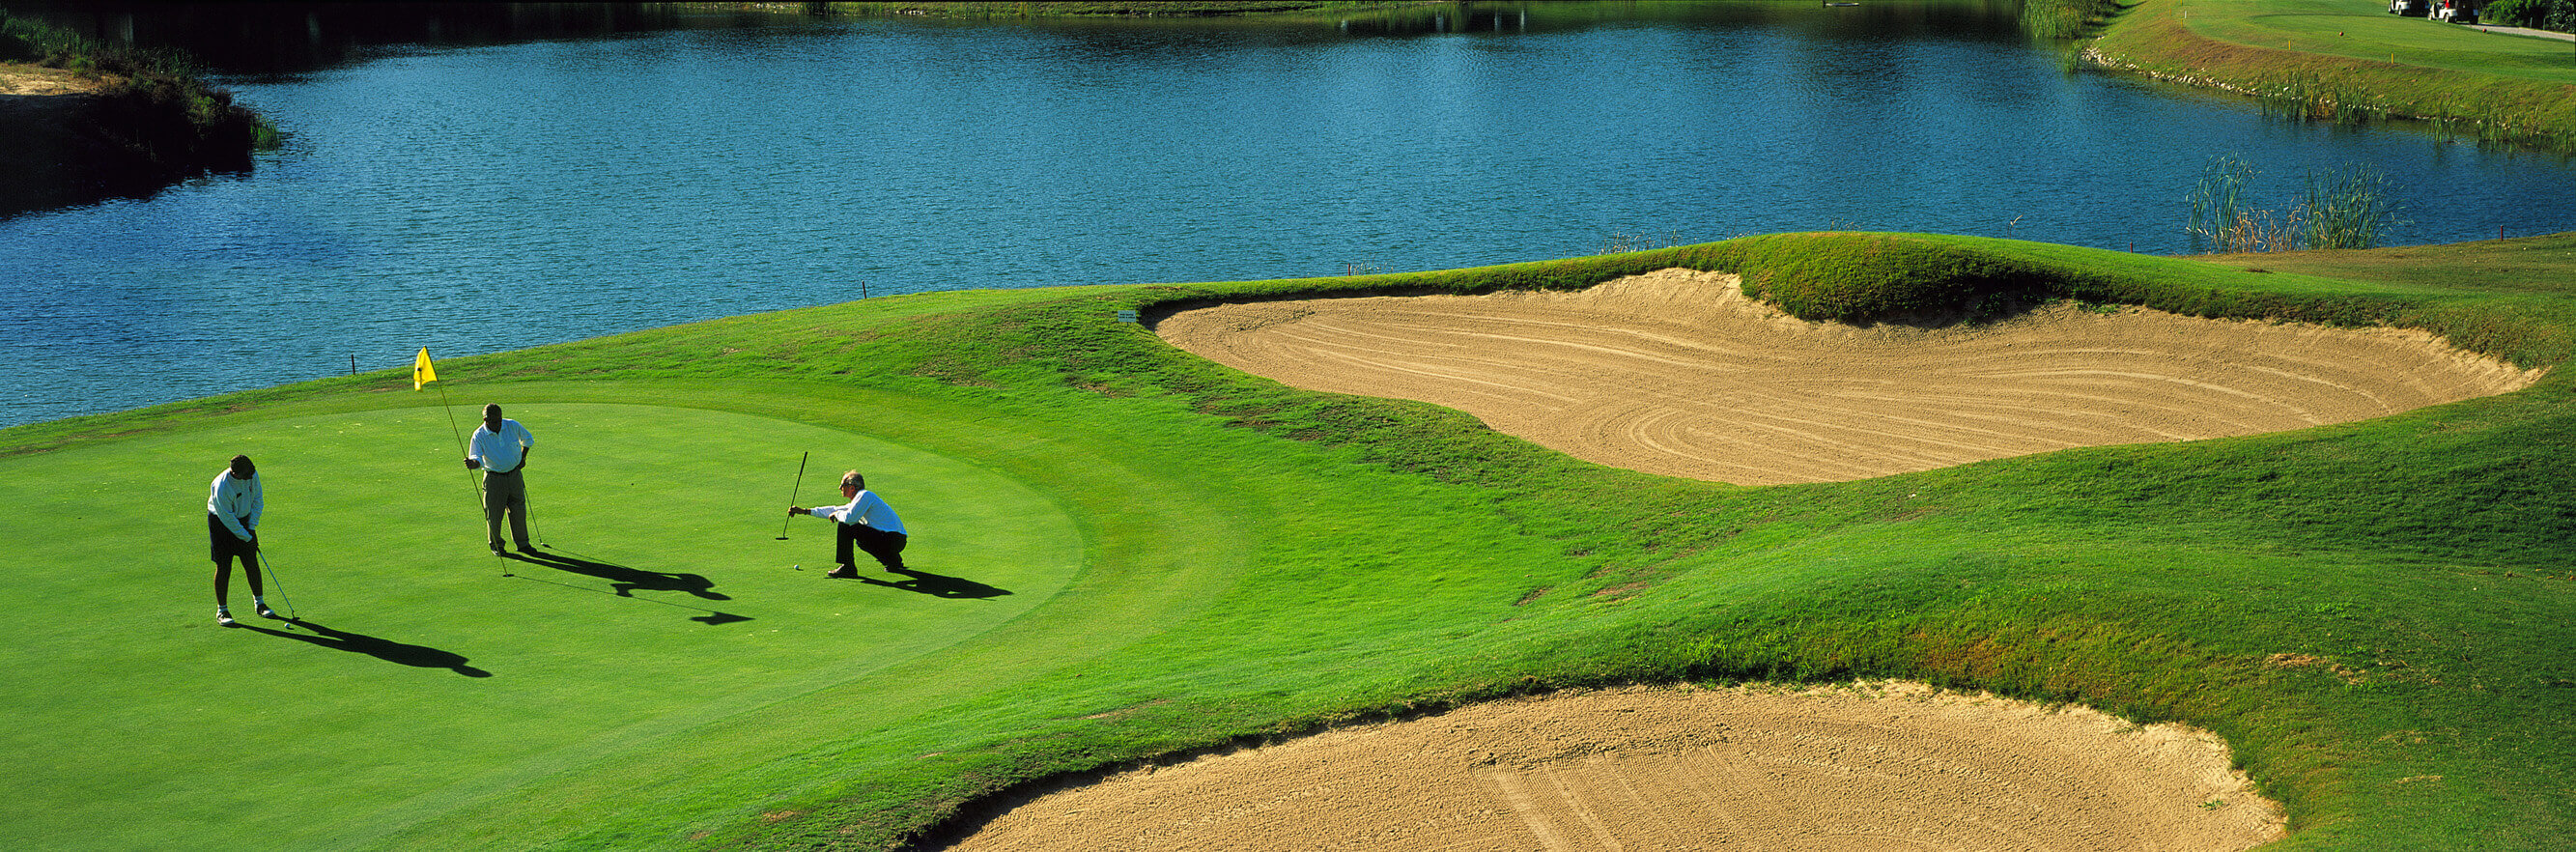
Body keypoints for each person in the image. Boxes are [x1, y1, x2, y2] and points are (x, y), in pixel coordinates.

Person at [789, 470, 907, 579]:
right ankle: (893, 561)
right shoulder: (859, 499)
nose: (840, 488)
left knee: (845, 525)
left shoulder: (865, 495)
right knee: (861, 541)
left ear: (851, 488)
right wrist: (805, 511)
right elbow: (834, 509)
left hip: (892, 538)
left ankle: (848, 567)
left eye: (842, 485)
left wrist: (837, 514)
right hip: (894, 539)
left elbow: (850, 518)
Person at [208, 454, 275, 626]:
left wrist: (251, 528)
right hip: (221, 524)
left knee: (251, 562)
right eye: (246, 475)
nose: (251, 477)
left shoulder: (251, 473)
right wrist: (246, 537)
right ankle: (222, 611)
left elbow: (258, 500)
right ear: (235, 473)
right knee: (224, 566)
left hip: (244, 520)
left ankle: (260, 604)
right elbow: (227, 519)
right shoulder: (221, 486)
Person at [465, 403, 536, 555]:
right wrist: (473, 464)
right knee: (494, 515)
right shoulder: (479, 435)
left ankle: (523, 544)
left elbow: (528, 439)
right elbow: (476, 458)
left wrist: (523, 457)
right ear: (486, 420)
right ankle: (497, 546)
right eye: (495, 421)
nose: (498, 424)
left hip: (514, 475)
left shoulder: (511, 425)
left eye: (500, 419)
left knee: (518, 511)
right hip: (494, 478)